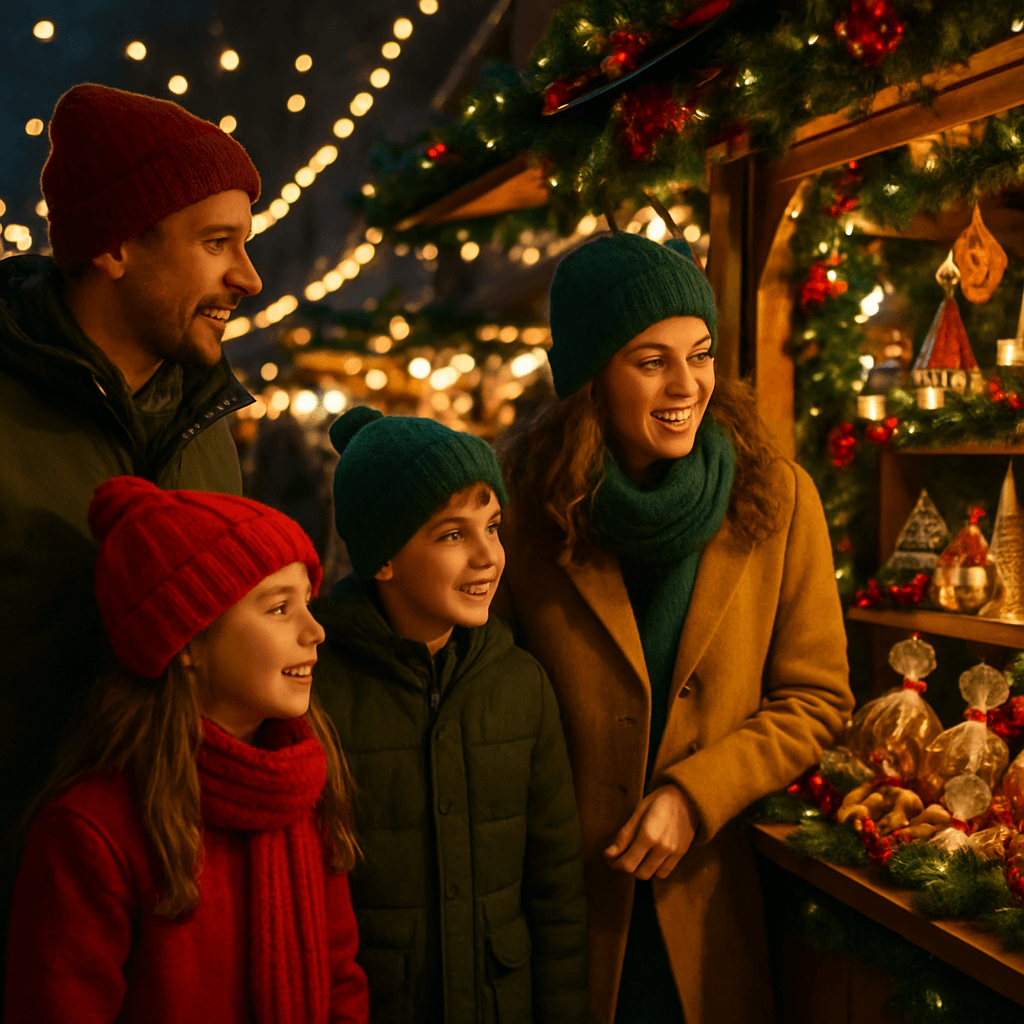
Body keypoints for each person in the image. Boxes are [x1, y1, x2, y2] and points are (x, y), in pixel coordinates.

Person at [499, 232, 854, 1024]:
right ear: (593, 375)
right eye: (651, 360)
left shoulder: (778, 497)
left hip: (710, 904)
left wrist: (697, 795)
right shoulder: (525, 513)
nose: (686, 384)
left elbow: (816, 698)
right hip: (566, 908)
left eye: (700, 355)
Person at [0, 82, 263, 941]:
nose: (248, 278)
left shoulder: (206, 421)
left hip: (178, 899)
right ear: (114, 245)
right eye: (217, 243)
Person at [4, 477, 369, 1024]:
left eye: (308, 603)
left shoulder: (300, 787)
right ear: (189, 639)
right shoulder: (92, 833)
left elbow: (340, 980)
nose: (315, 630)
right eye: (278, 608)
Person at [312, 407, 589, 1024]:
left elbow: (556, 891)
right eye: (452, 535)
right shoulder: (319, 691)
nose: (488, 556)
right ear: (383, 557)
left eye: (492, 527)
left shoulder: (520, 684)